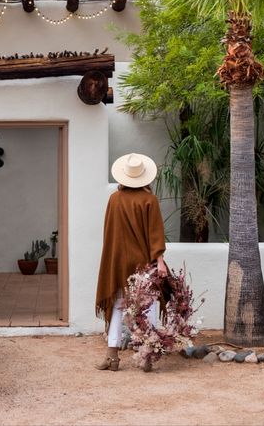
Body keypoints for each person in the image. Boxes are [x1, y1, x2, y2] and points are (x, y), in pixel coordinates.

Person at [95, 152, 167, 372]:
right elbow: (155, 235)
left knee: (117, 306)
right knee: (148, 308)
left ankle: (112, 357)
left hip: (118, 263)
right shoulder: (149, 200)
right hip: (142, 263)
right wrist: (160, 261)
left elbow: (109, 234)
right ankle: (147, 357)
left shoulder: (114, 199)